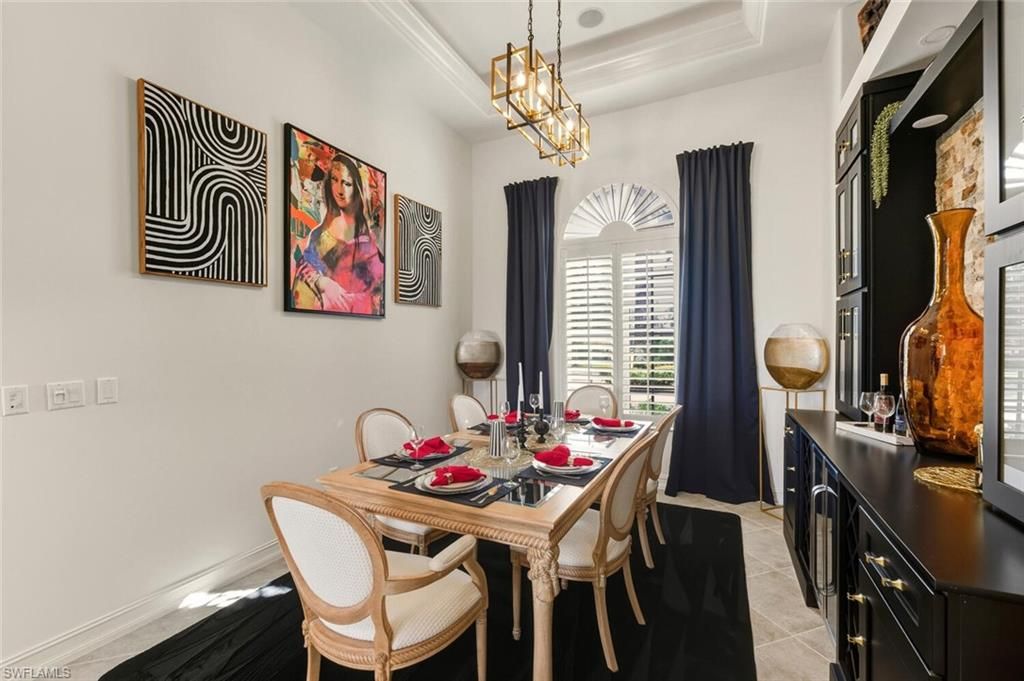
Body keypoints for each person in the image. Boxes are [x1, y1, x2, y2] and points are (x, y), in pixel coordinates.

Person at [291, 153, 384, 314]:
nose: (340, 190)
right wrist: (323, 282)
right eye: (334, 180)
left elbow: (377, 287)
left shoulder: (370, 237)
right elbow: (304, 266)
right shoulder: (320, 233)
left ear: (356, 188)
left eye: (347, 183)